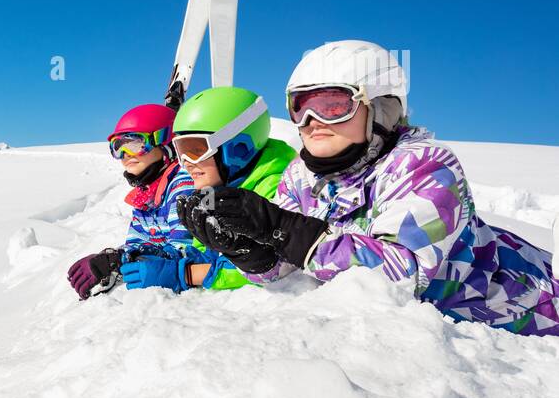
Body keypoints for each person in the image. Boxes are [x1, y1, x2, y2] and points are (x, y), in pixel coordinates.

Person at [182, 40, 559, 336]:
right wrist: (251, 252)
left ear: (381, 108)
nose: (312, 121)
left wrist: (287, 229)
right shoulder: (301, 177)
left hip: (527, 307)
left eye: (333, 105)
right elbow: (291, 270)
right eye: (300, 107)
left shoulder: (426, 165)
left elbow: (403, 274)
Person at [169, 86, 298, 290]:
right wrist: (170, 259)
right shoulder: (215, 190)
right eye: (181, 150)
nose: (186, 163)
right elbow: (206, 250)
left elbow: (274, 266)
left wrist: (186, 274)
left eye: (196, 150)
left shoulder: (278, 188)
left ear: (238, 147)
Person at [67, 104, 195, 299]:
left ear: (166, 144)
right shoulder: (146, 196)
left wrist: (119, 260)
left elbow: (186, 250)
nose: (126, 155)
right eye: (118, 147)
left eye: (134, 144)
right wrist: (112, 260)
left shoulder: (184, 185)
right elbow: (140, 244)